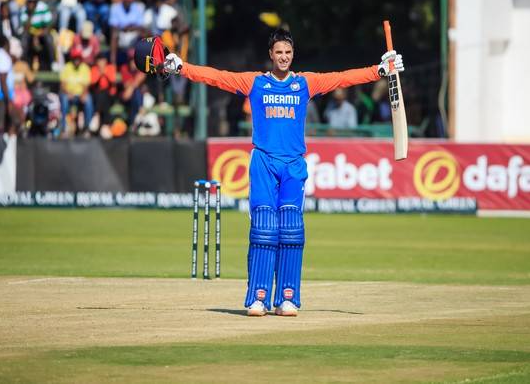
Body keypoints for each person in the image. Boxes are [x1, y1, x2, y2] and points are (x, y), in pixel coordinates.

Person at [133, 30, 404, 316]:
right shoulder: (256, 83)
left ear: (292, 54)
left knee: (291, 229)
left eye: (288, 52)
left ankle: (287, 297)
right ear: (271, 55)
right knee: (263, 228)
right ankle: (258, 297)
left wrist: (379, 70)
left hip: (293, 165)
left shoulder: (305, 83)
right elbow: (216, 77)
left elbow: (342, 77)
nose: (283, 57)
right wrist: (183, 67)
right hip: (263, 163)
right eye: (278, 52)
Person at [59, 46, 93, 136]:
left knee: (88, 100)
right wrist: (68, 92)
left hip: (80, 94)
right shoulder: (67, 67)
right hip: (69, 94)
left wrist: (83, 94)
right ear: (72, 58)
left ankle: (87, 128)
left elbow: (86, 85)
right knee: (64, 99)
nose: (76, 60)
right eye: (75, 58)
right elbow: (62, 85)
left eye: (78, 58)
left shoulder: (85, 68)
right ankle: (64, 127)